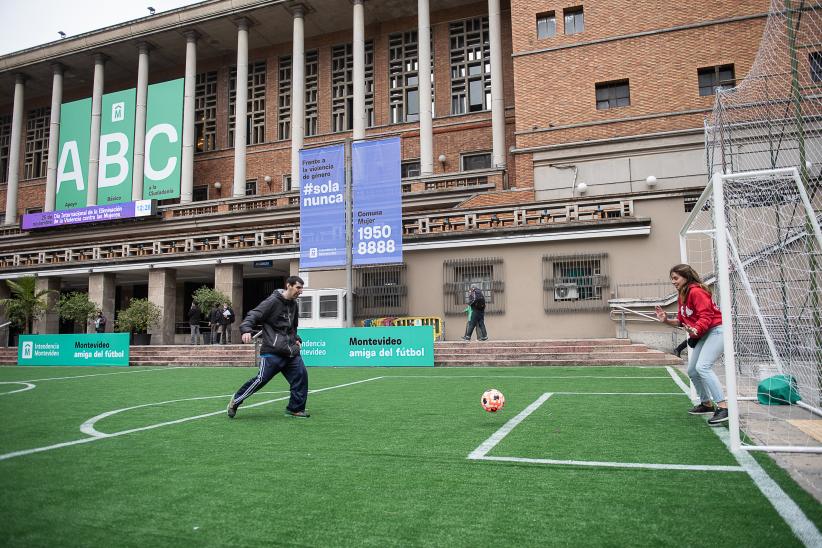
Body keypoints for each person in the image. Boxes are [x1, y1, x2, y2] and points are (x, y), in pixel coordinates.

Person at [655, 263, 728, 426]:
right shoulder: (683, 294)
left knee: (703, 367)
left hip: (717, 330)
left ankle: (723, 407)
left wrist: (696, 329)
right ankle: (706, 404)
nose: (673, 281)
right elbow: (682, 322)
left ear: (686, 277)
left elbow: (707, 316)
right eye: (671, 279)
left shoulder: (696, 291)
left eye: (676, 278)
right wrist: (666, 320)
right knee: (693, 370)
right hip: (704, 333)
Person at [227, 276, 309, 419]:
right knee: (260, 380)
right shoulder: (272, 301)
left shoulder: (294, 305)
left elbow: (292, 327)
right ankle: (236, 401)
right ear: (288, 285)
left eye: (302, 288)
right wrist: (246, 329)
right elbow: (254, 314)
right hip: (273, 351)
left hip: (291, 352)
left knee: (301, 377)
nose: (300, 291)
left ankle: (295, 409)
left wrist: (297, 338)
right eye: (298, 288)